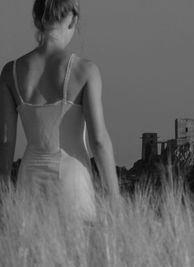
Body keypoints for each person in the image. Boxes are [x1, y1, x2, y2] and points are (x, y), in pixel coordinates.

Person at [0, 0, 120, 221]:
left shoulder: (11, 72)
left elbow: (6, 141)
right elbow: (99, 141)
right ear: (73, 18)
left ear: (36, 20)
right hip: (72, 180)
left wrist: (5, 196)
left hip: (29, 182)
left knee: (33, 254)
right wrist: (114, 201)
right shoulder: (85, 70)